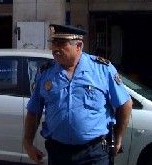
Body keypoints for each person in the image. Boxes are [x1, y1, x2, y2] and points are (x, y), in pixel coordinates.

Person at [23, 24, 132, 165]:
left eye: (61, 44)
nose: (55, 49)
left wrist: (118, 139)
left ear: (79, 46)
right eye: (53, 43)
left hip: (95, 153)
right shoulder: (46, 73)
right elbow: (33, 111)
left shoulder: (102, 70)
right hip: (58, 152)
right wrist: (28, 143)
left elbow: (125, 104)